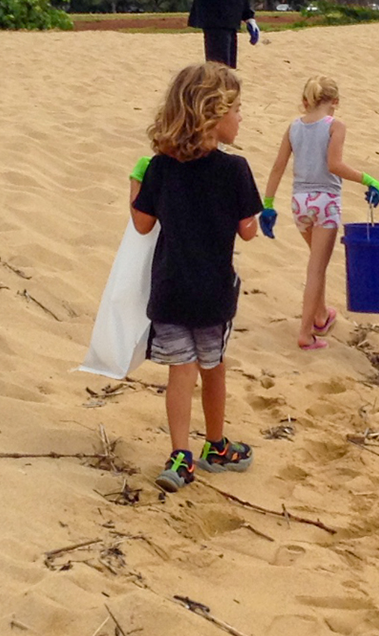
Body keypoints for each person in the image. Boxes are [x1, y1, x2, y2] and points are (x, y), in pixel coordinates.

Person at [130, 62, 264, 491]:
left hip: (169, 290)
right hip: (214, 293)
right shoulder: (235, 170)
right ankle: (216, 444)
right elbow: (248, 230)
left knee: (180, 372)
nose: (241, 117)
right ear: (213, 113)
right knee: (214, 366)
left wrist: (135, 182)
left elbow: (142, 225)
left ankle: (180, 454)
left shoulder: (159, 168)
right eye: (237, 109)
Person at [259, 76, 379, 350]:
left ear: (306, 101)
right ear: (335, 102)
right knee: (316, 267)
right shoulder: (334, 126)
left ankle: (320, 315)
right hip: (325, 202)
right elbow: (335, 164)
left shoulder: (294, 127)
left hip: (299, 202)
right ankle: (306, 333)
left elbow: (278, 166)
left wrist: (268, 204)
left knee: (317, 262)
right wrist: (368, 179)